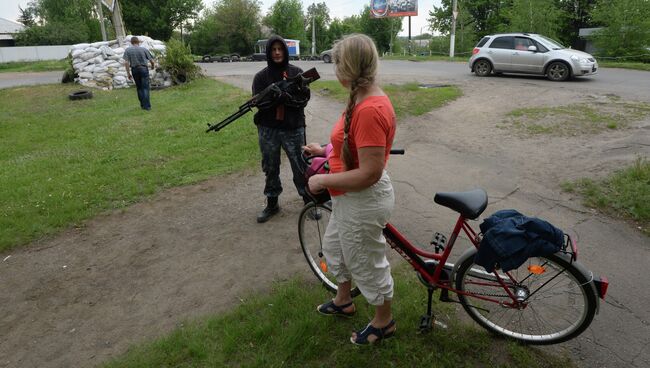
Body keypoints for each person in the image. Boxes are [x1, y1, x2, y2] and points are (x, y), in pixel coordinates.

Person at [303, 34, 397, 345]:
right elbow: (351, 142)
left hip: (363, 198)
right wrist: (325, 150)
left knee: (366, 261)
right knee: (336, 251)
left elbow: (370, 173)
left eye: (336, 64)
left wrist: (322, 180)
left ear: (349, 67)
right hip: (348, 197)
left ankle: (384, 321)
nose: (334, 70)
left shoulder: (370, 108)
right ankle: (344, 300)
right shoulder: (359, 97)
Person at [252, 35, 311, 223]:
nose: (277, 53)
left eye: (280, 49)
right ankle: (272, 203)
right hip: (269, 129)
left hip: (293, 127)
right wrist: (274, 99)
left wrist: (288, 99)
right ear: (269, 52)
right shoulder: (261, 77)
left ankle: (309, 200)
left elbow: (304, 99)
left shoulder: (298, 72)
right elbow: (258, 103)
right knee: (270, 166)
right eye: (273, 50)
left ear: (285, 51)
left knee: (300, 165)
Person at [123, 36, 155, 110]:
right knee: (145, 88)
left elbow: (126, 63)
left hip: (135, 70)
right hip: (144, 69)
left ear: (131, 42)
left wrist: (128, 73)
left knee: (139, 88)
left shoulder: (128, 50)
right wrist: (153, 66)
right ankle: (147, 106)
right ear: (138, 42)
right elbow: (152, 61)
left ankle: (142, 105)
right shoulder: (144, 49)